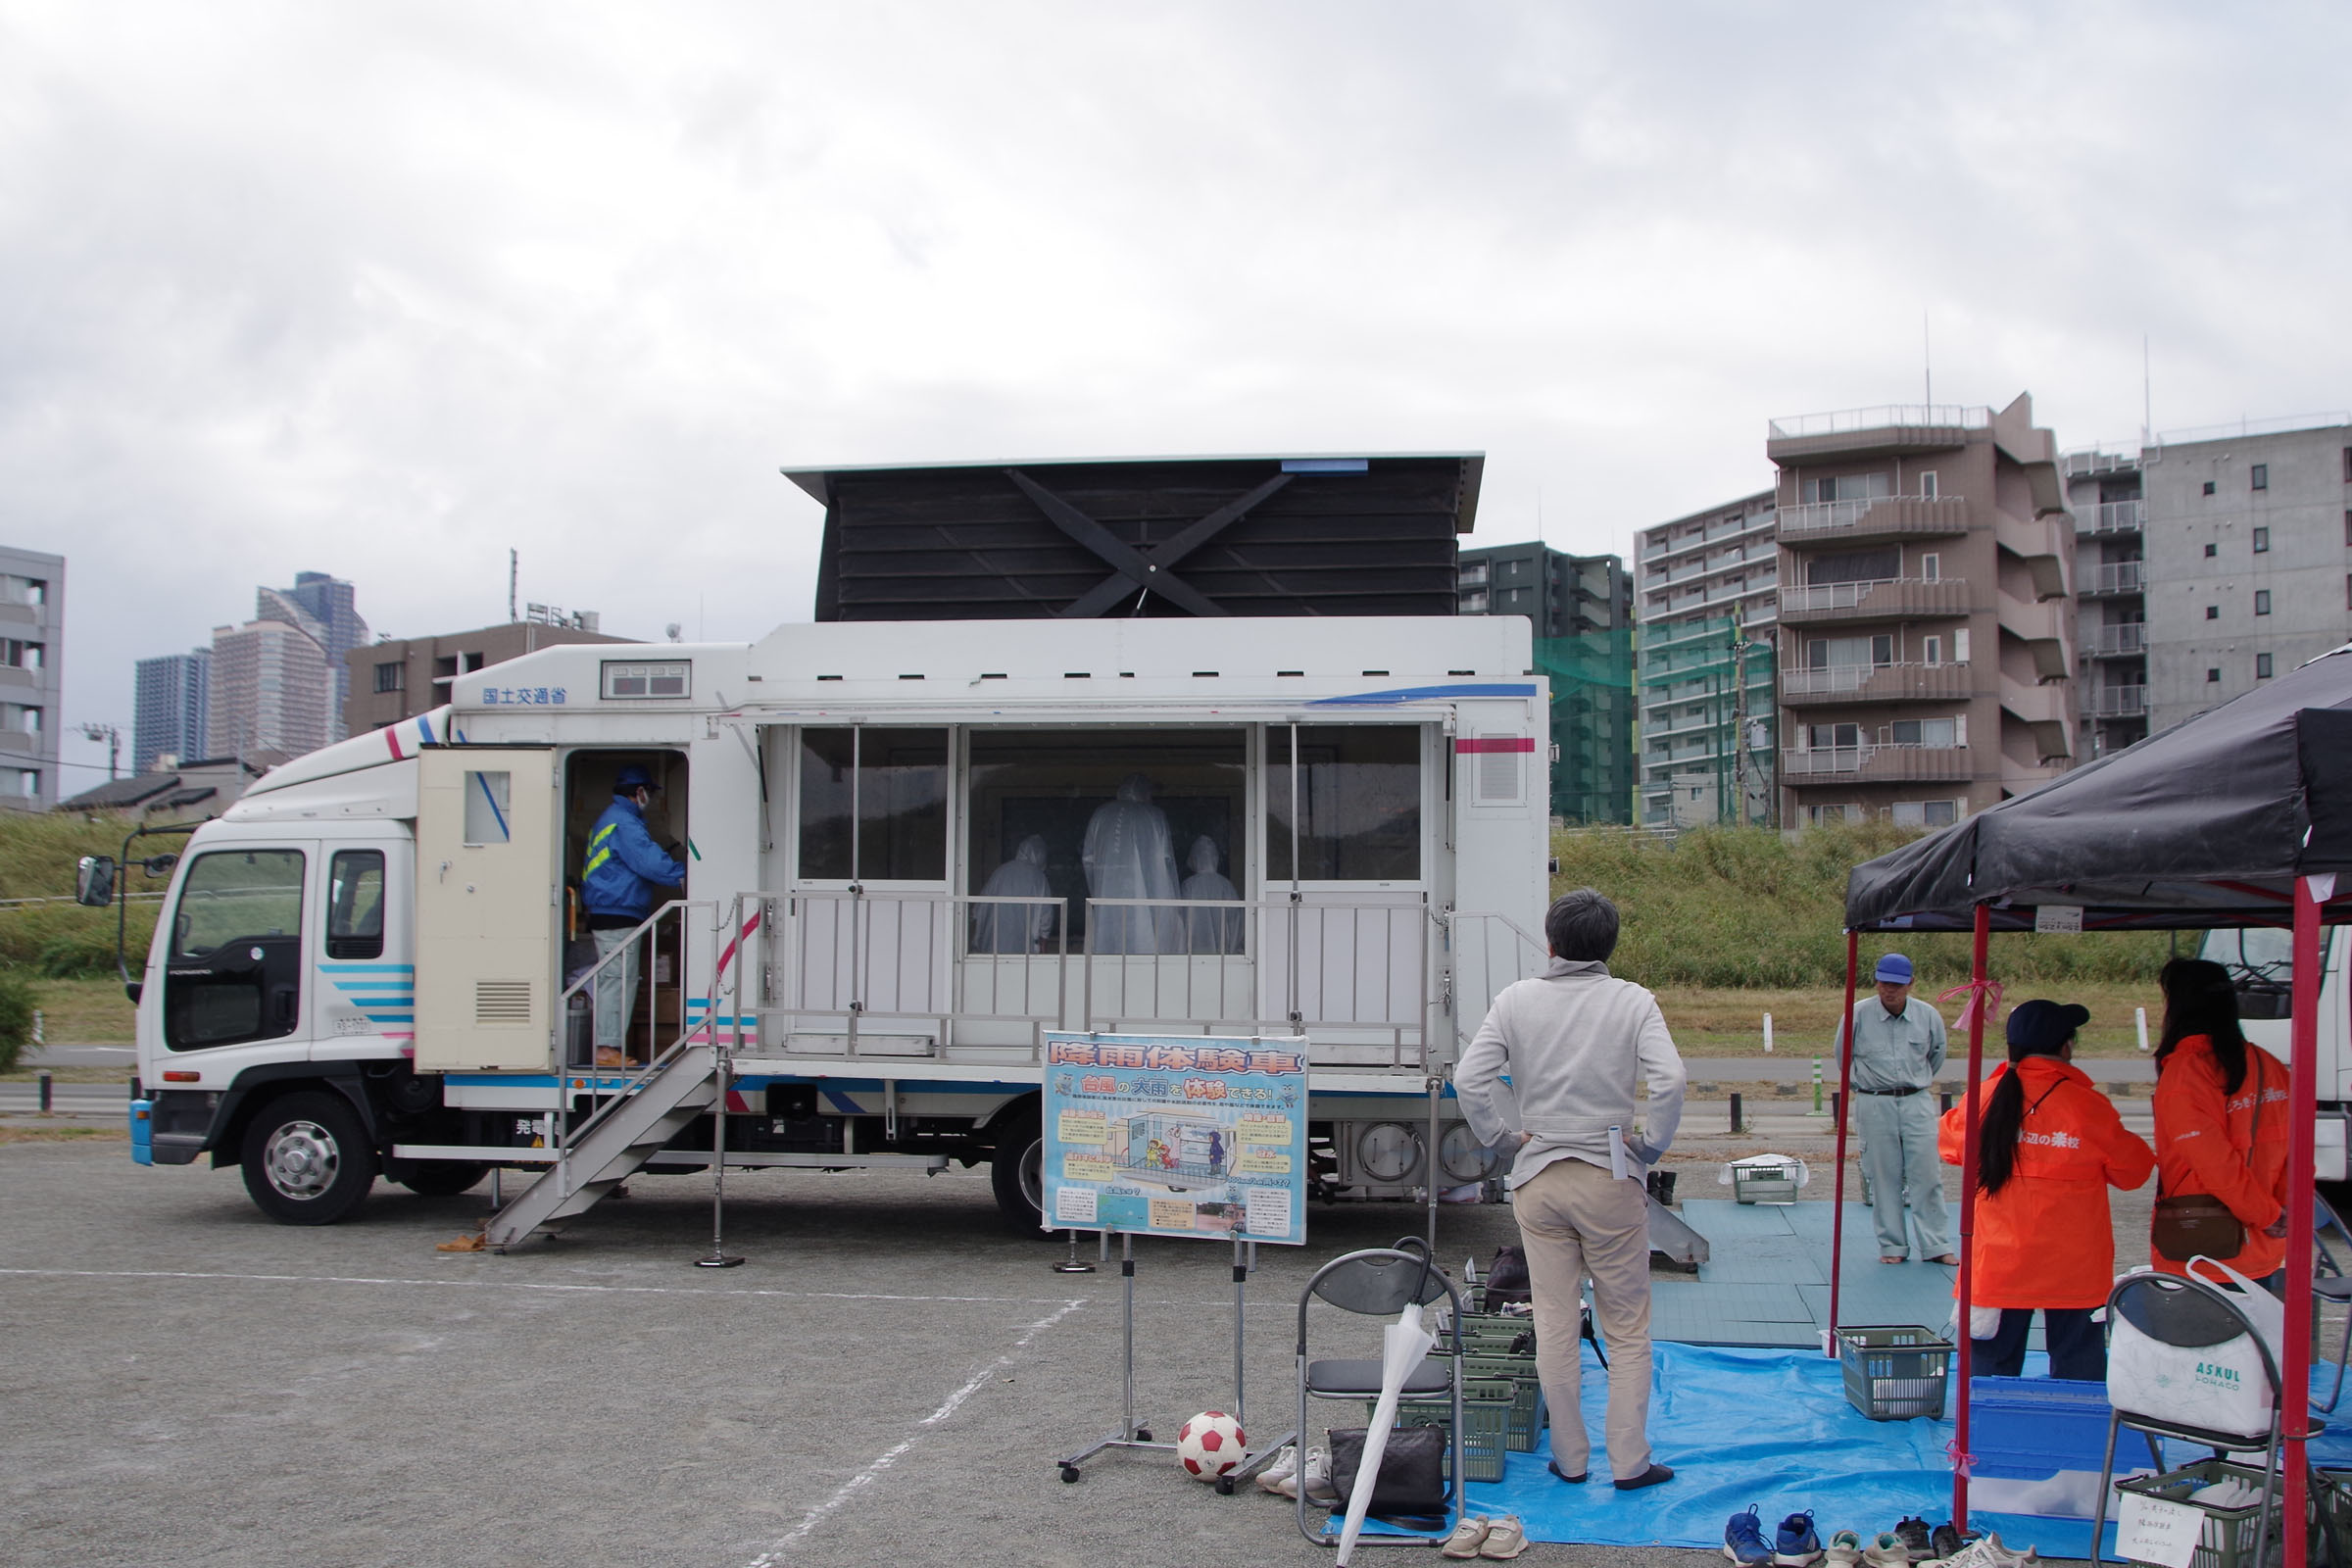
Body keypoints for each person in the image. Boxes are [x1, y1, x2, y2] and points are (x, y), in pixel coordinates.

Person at [1455, 888, 1684, 1492]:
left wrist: (1504, 1140)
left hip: (1538, 1175)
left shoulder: (1515, 1000)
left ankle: (1571, 1458)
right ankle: (1630, 1462)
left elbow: (1468, 1078)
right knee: (1627, 1327)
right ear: (1608, 945)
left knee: (1556, 1321)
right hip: (1609, 1174)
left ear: (1550, 944)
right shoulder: (1634, 1002)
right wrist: (1651, 1146)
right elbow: (1672, 1078)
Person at [1937, 999, 2155, 1380]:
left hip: (2000, 1265)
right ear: (2066, 1046)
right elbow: (2134, 1171)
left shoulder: (1985, 1098)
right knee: (2078, 1370)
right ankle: (2069, 1438)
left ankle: (1986, 1439)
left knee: (1989, 1375)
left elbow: (1950, 1146)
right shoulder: (2089, 1106)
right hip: (2075, 1268)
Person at [2150, 957, 2290, 1289]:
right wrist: (2281, 1210)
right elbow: (2295, 1148)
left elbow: (2214, 1164)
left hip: (2205, 1248)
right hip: (2261, 1246)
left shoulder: (2187, 1071)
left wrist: (2268, 1214)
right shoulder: (2267, 1063)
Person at [1837, 954, 1958, 1265]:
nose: (1888, 990)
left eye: (1896, 985)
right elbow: (1843, 1057)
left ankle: (1936, 1245)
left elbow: (1936, 1054)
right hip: (1874, 1100)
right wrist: (1867, 1088)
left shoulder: (1927, 1015)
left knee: (1927, 1174)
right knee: (1883, 1174)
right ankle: (1892, 1246)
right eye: (1883, 983)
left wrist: (1913, 1083)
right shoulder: (1858, 1014)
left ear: (1910, 984)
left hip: (1916, 1099)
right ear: (1876, 980)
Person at [581, 763, 685, 1063]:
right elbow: (650, 863)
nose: (649, 799)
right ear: (639, 792)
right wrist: (688, 873)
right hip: (617, 912)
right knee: (618, 978)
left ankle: (608, 1046)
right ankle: (606, 1049)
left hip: (612, 910)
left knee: (618, 977)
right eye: (650, 793)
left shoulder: (614, 819)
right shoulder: (624, 823)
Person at [1080, 773, 1181, 954]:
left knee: (1106, 955)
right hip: (1148, 910)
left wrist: (1102, 890)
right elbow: (1167, 864)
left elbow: (1089, 861)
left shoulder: (1101, 815)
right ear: (1146, 793)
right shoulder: (1154, 816)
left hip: (1107, 907)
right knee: (1148, 954)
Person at [971, 835, 1056, 954]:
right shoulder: (1039, 878)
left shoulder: (1000, 872)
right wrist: (1042, 949)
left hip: (990, 948)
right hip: (1022, 954)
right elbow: (1046, 919)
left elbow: (978, 910)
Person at [1178, 834, 1243, 955]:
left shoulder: (1189, 885)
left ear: (1194, 858)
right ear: (1215, 857)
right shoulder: (1226, 885)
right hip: (1224, 957)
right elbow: (1235, 923)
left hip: (1192, 956)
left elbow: (1181, 920)